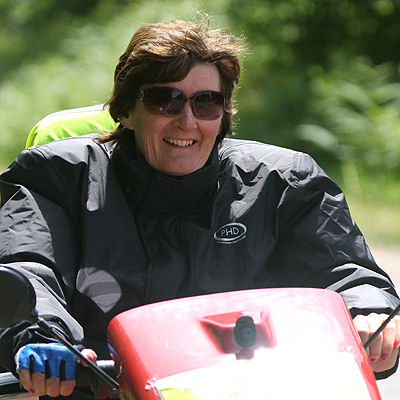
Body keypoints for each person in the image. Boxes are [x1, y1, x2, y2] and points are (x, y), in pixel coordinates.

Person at [0, 18, 399, 399]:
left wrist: (369, 312)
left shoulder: (285, 183)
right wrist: (38, 335)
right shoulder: (56, 177)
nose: (187, 121)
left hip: (255, 389)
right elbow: (28, 268)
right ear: (125, 111)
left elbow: (346, 272)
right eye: (164, 100)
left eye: (206, 102)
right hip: (100, 385)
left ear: (224, 115)